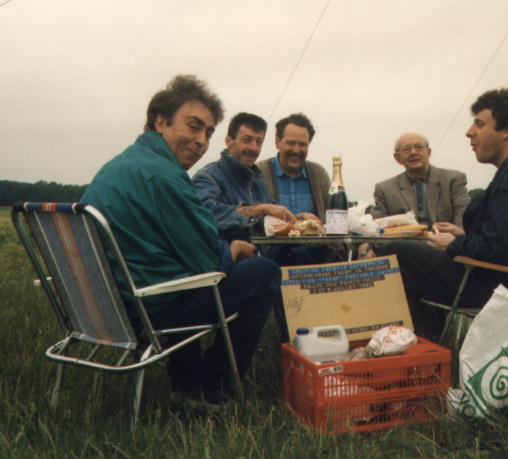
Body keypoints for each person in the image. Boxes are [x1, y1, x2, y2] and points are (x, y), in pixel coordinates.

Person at [81, 75, 280, 406]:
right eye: (194, 126)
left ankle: (186, 378)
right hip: (147, 310)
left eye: (208, 133)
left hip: (103, 307)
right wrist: (233, 249)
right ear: (161, 122)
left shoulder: (118, 166)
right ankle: (211, 388)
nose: (201, 141)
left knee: (182, 272)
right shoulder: (164, 176)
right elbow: (207, 262)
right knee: (265, 271)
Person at [381, 87, 508, 339]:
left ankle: (425, 347)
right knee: (411, 255)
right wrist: (463, 235)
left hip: (505, 288)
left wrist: (453, 243)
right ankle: (427, 344)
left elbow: (500, 248)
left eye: (480, 124)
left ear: (507, 130)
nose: (469, 132)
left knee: (394, 252)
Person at [193, 112, 295, 242]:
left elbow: (274, 217)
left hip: (261, 252)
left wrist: (299, 220)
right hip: (225, 253)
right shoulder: (207, 178)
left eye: (259, 142)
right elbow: (207, 216)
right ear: (229, 141)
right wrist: (260, 209)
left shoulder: (257, 178)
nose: (254, 148)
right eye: (247, 140)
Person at [371, 132, 470, 227]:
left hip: (448, 238)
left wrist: (455, 235)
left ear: (428, 152)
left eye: (419, 147)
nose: (413, 152)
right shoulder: (384, 189)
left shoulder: (453, 180)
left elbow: (464, 219)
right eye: (406, 149)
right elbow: (377, 227)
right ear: (397, 158)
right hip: (404, 238)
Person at [257, 113, 330, 221]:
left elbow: (335, 215)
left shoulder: (319, 174)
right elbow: (250, 218)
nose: (296, 150)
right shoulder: (259, 172)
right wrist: (297, 220)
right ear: (277, 142)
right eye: (291, 143)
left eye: (302, 145)